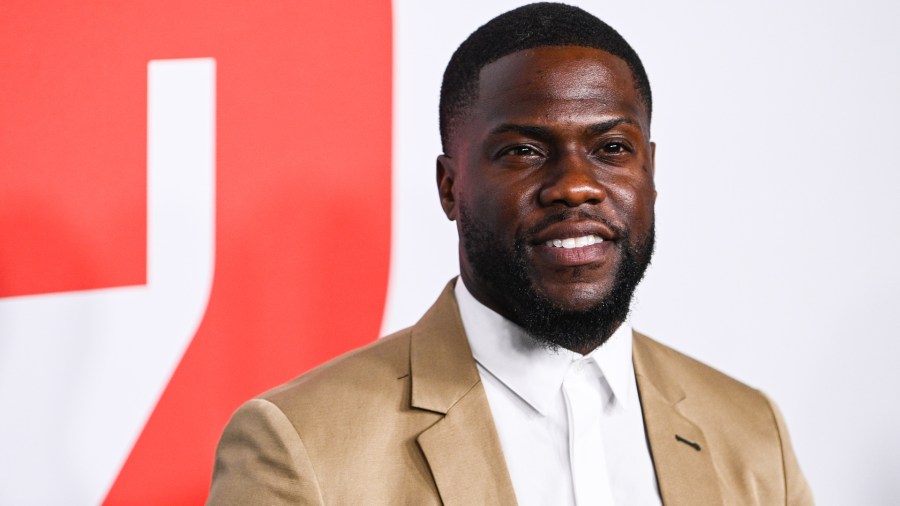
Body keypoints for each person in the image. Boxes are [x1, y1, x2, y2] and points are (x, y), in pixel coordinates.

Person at [207, 3, 813, 504]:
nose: (577, 185)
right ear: (450, 187)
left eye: (612, 147)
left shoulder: (753, 432)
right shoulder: (299, 449)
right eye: (524, 151)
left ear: (650, 171)